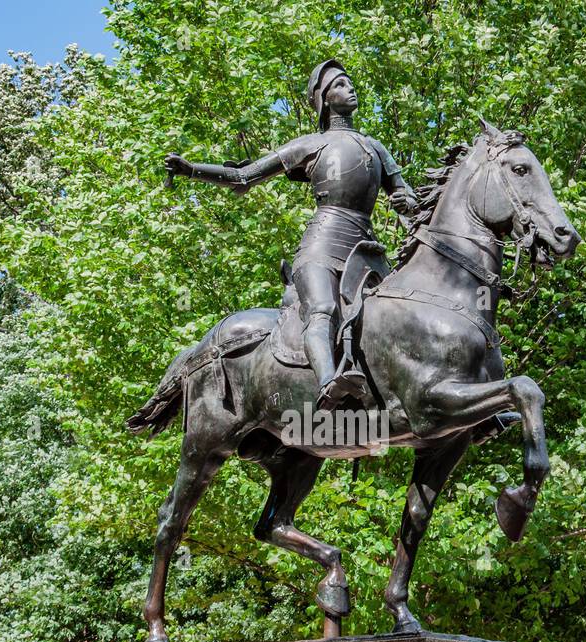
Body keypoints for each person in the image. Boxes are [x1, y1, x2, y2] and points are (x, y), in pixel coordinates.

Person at [165, 59, 418, 410]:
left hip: (367, 252)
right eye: (341, 84)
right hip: (322, 246)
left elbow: (407, 201)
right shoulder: (309, 144)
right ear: (325, 99)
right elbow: (244, 177)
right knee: (323, 309)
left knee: (405, 316)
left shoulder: (376, 148)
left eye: (350, 83)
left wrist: (406, 200)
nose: (351, 88)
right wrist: (193, 170)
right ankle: (329, 382)